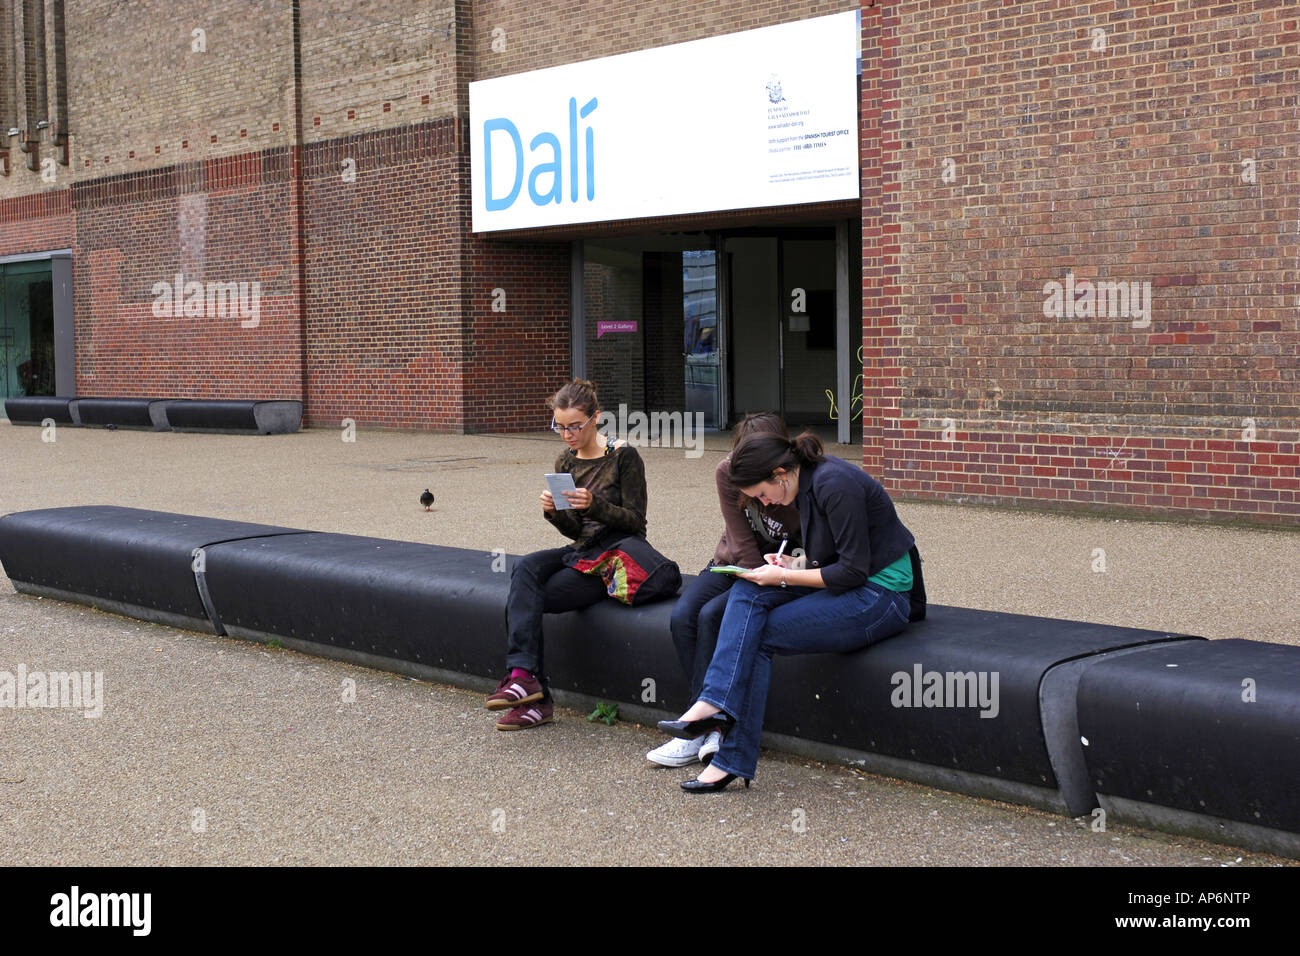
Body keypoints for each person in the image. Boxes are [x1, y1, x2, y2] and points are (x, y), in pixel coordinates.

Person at [656, 431, 922, 792]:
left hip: (881, 596)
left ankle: (729, 755)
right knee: (750, 585)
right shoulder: (808, 482)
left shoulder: (834, 484)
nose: (764, 504)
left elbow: (853, 571)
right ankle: (713, 703)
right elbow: (834, 559)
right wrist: (792, 565)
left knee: (759, 634)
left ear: (780, 474)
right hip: (854, 585)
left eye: (763, 494)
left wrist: (783, 575)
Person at [485, 379, 648, 730]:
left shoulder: (623, 456)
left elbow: (636, 523)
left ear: (596, 418)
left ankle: (537, 698)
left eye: (575, 425)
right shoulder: (565, 460)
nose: (567, 434)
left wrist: (597, 505)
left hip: (613, 558)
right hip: (581, 549)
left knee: (529, 599)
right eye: (560, 426)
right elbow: (575, 530)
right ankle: (522, 676)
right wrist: (555, 512)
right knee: (525, 567)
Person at [646, 412, 801, 768]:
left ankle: (716, 724)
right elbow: (741, 539)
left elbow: (811, 546)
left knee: (713, 615)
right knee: (684, 615)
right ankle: (703, 728)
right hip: (735, 560)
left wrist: (786, 567)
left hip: (782, 568)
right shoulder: (727, 472)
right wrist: (751, 570)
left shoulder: (793, 482)